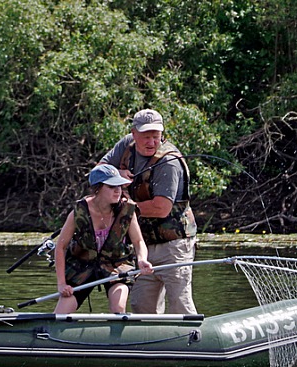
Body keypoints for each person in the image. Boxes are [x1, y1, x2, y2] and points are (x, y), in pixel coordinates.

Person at [99, 109, 197, 314]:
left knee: (179, 301)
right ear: (134, 134)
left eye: (156, 136)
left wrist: (122, 208)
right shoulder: (126, 146)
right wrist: (117, 173)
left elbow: (161, 208)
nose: (151, 142)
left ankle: (192, 341)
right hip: (142, 245)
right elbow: (98, 171)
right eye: (146, 136)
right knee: (141, 305)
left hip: (174, 246)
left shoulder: (168, 162)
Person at [53, 164, 153, 314]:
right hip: (82, 268)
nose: (118, 190)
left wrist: (142, 259)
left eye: (119, 185)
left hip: (116, 266)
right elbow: (60, 247)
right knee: (60, 313)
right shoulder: (79, 212)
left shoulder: (127, 211)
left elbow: (138, 242)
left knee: (118, 308)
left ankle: (117, 332)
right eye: (112, 186)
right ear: (98, 188)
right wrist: (61, 284)